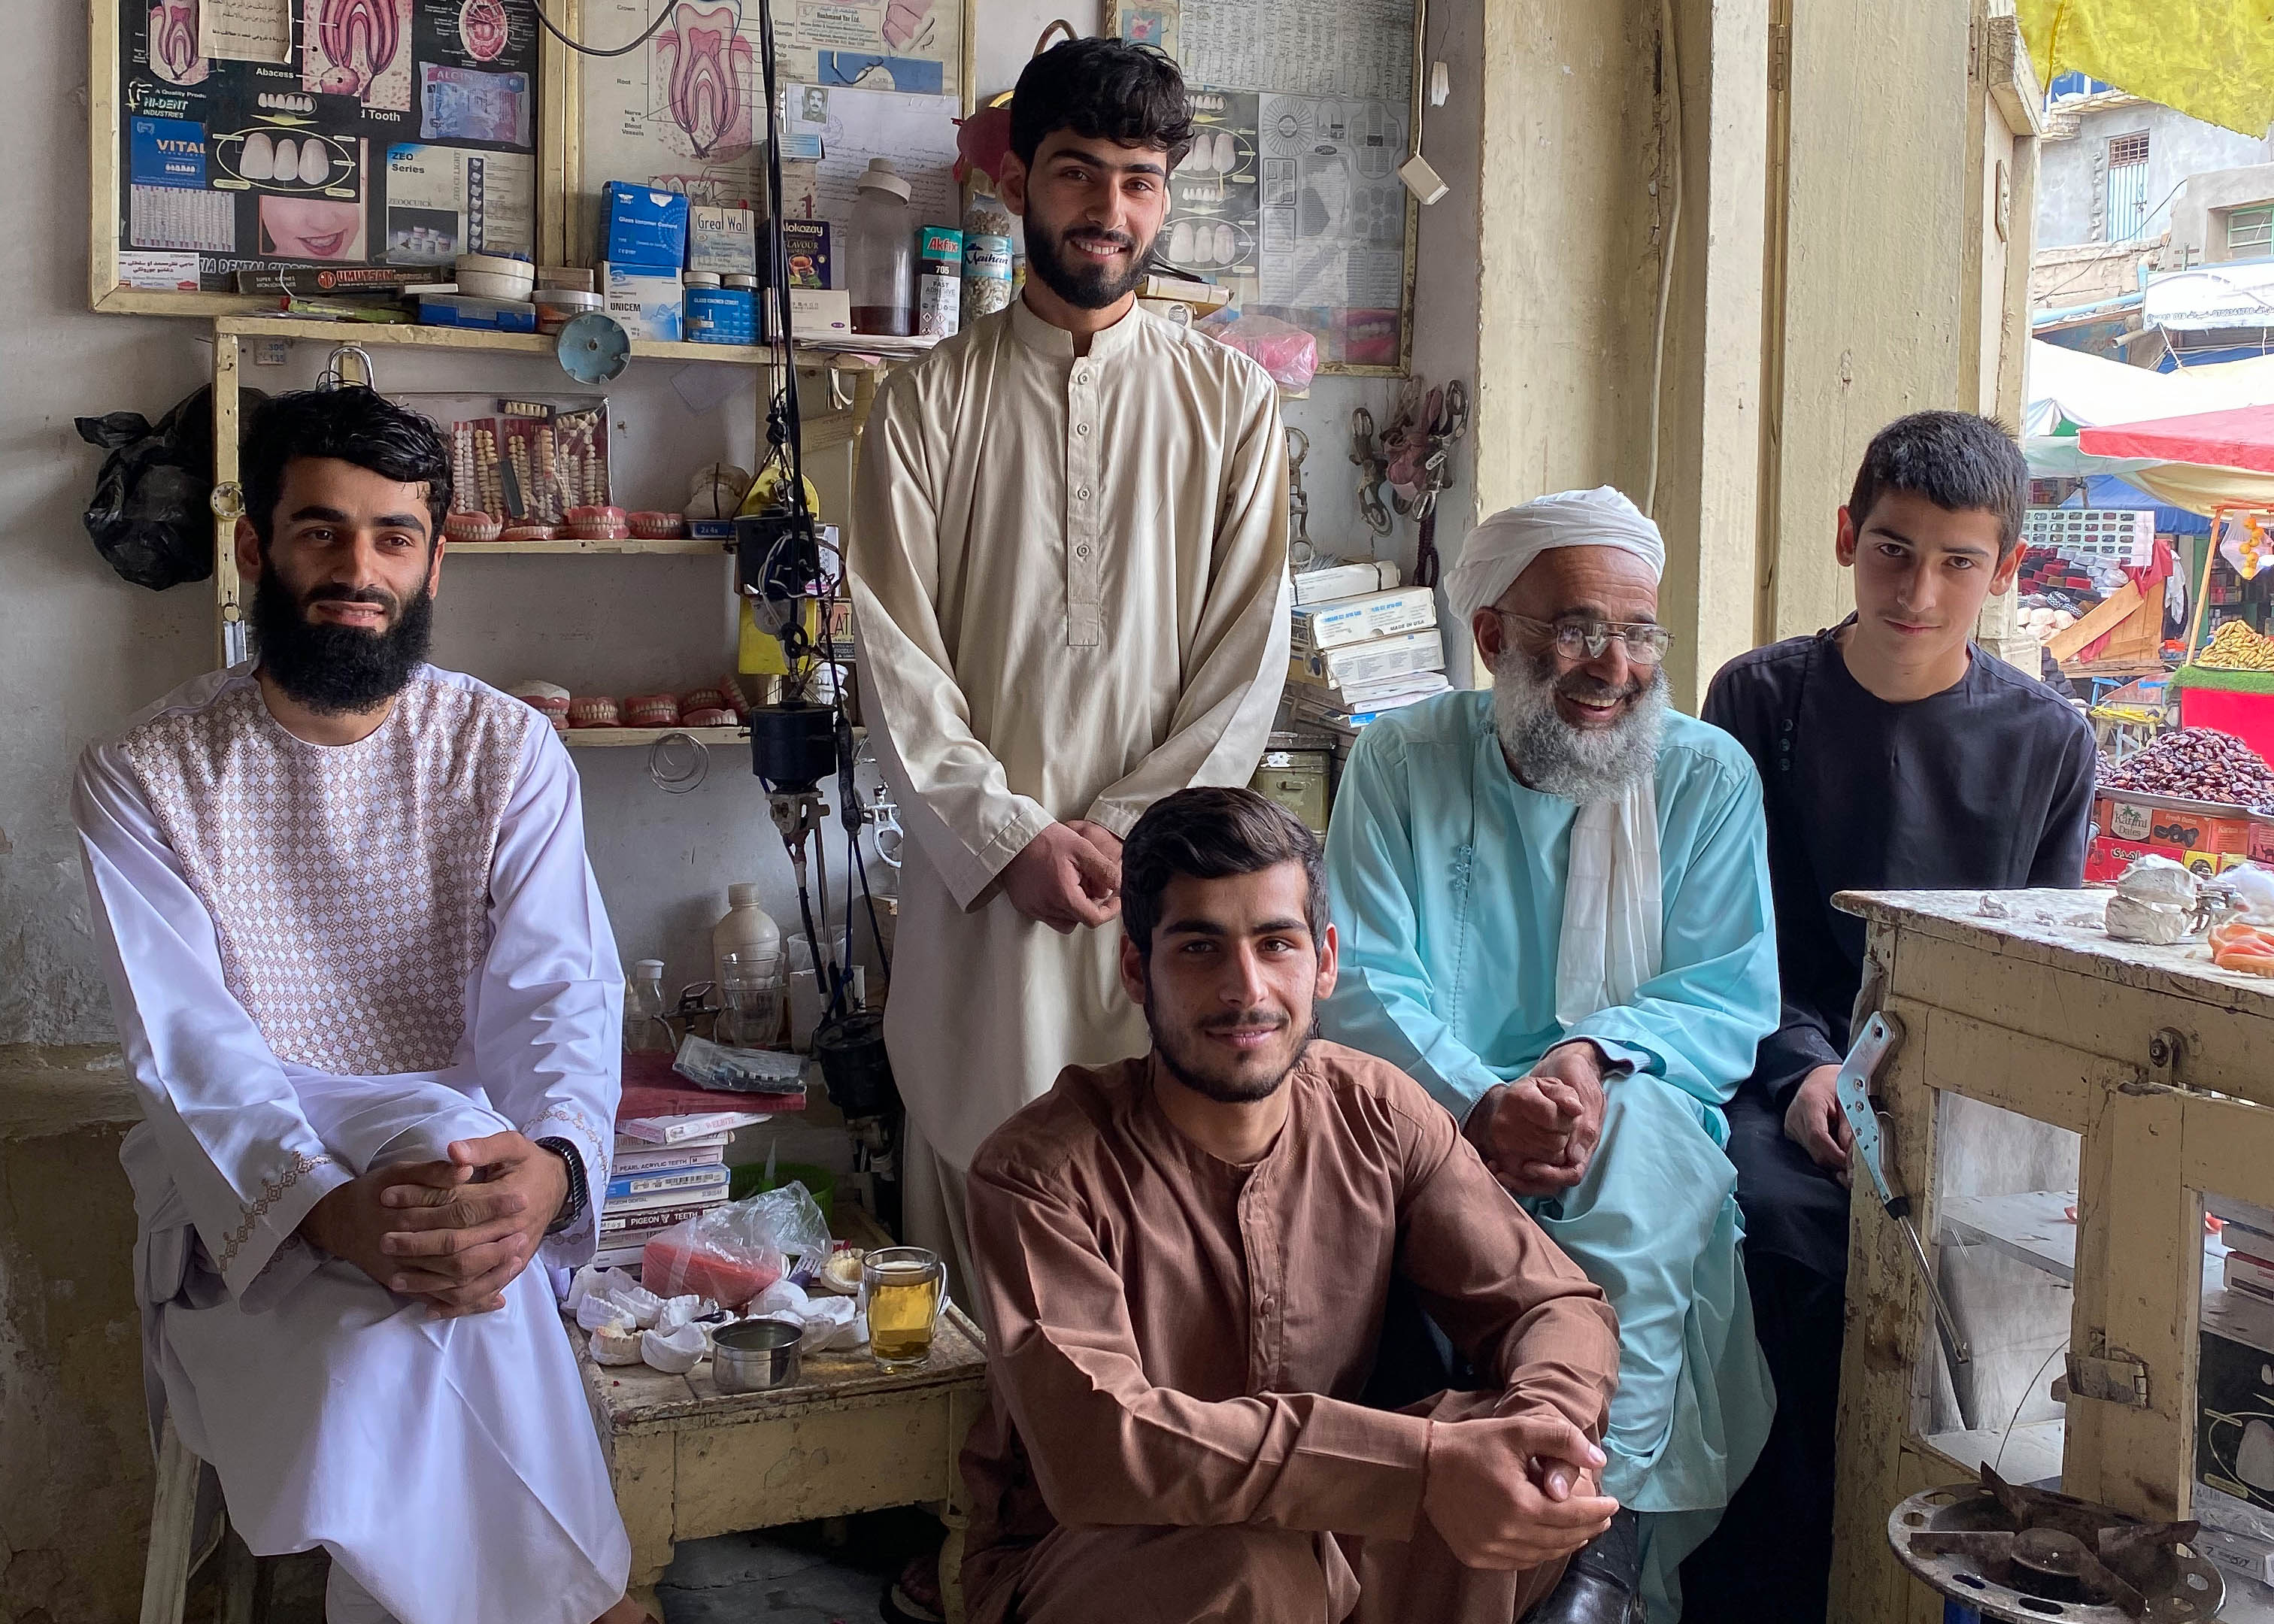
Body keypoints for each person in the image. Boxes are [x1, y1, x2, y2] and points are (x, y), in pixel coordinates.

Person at [73, 387, 639, 1624]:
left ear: (436, 560)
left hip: (466, 1187)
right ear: (253, 550)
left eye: (392, 537)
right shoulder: (145, 774)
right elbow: (194, 1058)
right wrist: (328, 1217)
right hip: (249, 1210)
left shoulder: (507, 751)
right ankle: (591, 1609)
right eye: (320, 532)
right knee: (418, 1338)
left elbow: (560, 994)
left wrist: (547, 1168)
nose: (357, 571)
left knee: (439, 1278)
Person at [960, 786, 1624, 1624]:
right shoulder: (1039, 1173)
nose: (1247, 989)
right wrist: (1416, 1468)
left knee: (1509, 1472)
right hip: (1110, 1559)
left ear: (1326, 961)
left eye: (1276, 944)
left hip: (1344, 1531)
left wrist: (1545, 1437)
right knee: (1250, 1568)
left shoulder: (1379, 1113)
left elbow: (1556, 1305)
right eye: (1200, 948)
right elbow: (1103, 1446)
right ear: (1137, 968)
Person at [849, 38, 1290, 1296]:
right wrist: (1009, 839)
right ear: (1015, 187)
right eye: (1077, 173)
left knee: (1157, 1260)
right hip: (981, 908)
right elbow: (893, 658)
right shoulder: (925, 404)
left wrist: (1120, 835)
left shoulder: (1230, 404)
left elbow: (1244, 661)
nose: (1108, 211)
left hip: (1164, 905)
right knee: (984, 1265)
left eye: (1139, 181)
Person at [1319, 487, 1780, 1624]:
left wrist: (1586, 1059)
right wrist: (1480, 1101)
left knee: (1645, 1174)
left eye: (1637, 635)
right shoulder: (1400, 762)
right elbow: (1365, 981)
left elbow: (1725, 991)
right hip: (1435, 1107)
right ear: (1492, 640)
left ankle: (1592, 1544)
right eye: (1576, 630)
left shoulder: (1706, 774)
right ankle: (1581, 1554)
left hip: (1626, 1093)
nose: (1612, 666)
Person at [1681, 411, 2095, 1624]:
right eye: (1889, 549)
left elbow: (2034, 967)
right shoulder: (1759, 698)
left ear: (2004, 570)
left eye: (1956, 561)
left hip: (1966, 1093)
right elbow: (1730, 933)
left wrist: (1936, 1098)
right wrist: (1808, 1071)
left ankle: (1949, 1580)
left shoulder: (2048, 743)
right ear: (1842, 538)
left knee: (2002, 1280)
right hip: (1781, 1069)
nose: (1916, 588)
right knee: (1770, 1237)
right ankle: (1769, 1582)